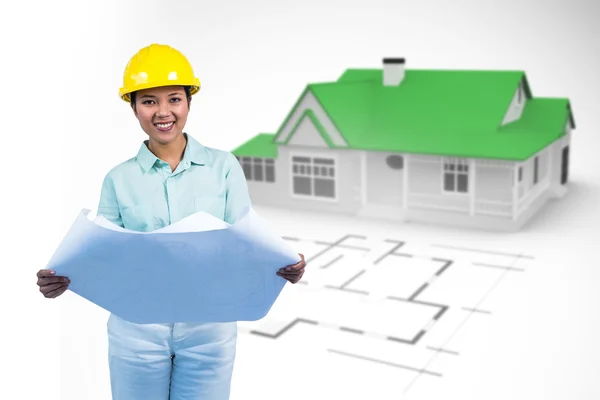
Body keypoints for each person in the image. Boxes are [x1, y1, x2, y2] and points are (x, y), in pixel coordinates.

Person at [36, 43, 306, 399]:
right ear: (133, 107)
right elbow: (105, 254)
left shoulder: (223, 168)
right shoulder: (118, 179)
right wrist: (65, 277)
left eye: (174, 99)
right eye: (149, 101)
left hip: (211, 327)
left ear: (189, 102)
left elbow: (246, 240)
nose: (163, 112)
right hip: (136, 330)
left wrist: (283, 264)